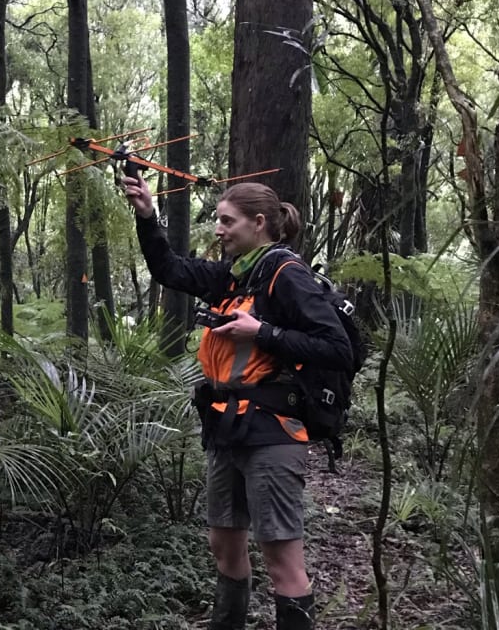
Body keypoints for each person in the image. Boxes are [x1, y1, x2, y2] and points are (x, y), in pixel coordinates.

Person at [122, 175, 351, 630]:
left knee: (281, 556)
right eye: (217, 221)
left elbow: (337, 348)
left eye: (227, 221)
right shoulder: (232, 275)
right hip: (226, 427)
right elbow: (169, 269)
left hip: (272, 430)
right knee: (225, 545)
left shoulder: (287, 275)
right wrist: (148, 215)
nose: (218, 230)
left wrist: (262, 332)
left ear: (259, 223)